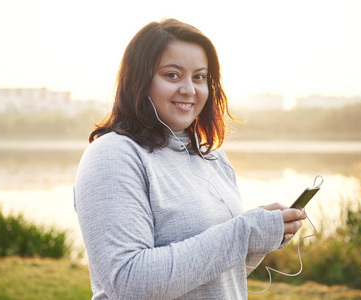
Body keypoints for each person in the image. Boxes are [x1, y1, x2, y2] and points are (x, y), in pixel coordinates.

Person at [74, 18, 306, 300]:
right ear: (139, 80)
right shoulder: (114, 155)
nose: (189, 89)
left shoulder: (213, 158)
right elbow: (128, 282)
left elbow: (213, 275)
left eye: (199, 77)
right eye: (172, 75)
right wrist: (245, 232)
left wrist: (263, 236)